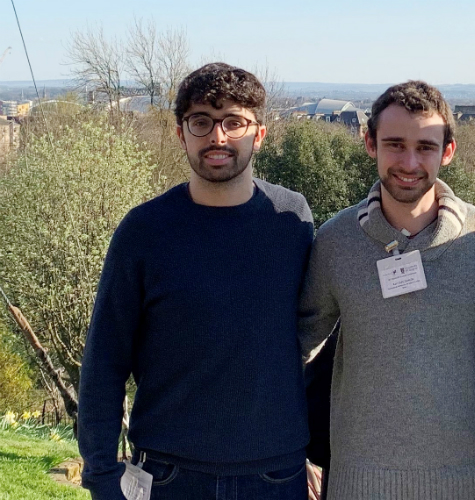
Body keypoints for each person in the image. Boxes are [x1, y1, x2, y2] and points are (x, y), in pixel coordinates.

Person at [78, 63, 314, 500]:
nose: (217, 137)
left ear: (259, 134)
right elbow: (105, 359)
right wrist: (101, 475)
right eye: (201, 121)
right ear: (180, 134)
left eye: (234, 122)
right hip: (168, 474)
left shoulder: (292, 220)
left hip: (276, 475)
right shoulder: (144, 231)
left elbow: (314, 334)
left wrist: (313, 454)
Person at [297, 80, 475, 500]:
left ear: (448, 152)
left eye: (425, 147)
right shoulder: (335, 242)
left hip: (469, 483)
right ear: (370, 144)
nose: (409, 162)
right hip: (359, 484)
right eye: (395, 145)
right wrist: (290, 448)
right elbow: (297, 347)